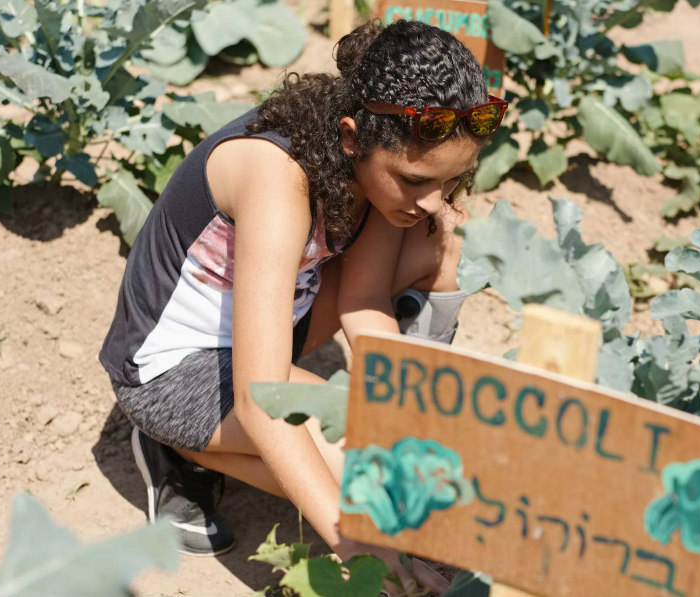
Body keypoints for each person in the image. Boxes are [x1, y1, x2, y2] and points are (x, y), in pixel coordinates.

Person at [98, 19, 507, 595]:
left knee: (438, 248)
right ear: (349, 138)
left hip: (267, 333)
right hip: (171, 369)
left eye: (451, 179)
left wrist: (410, 410)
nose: (433, 200)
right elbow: (262, 398)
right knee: (375, 491)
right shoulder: (274, 175)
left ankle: (212, 447)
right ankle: (175, 440)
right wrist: (357, 542)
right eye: (415, 180)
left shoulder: (378, 174)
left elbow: (363, 301)